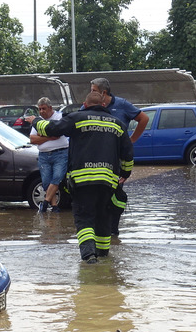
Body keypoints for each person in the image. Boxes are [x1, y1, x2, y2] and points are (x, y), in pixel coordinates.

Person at [33, 90, 134, 264]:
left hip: (82, 181)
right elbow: (128, 154)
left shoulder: (77, 118)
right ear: (104, 105)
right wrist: (124, 174)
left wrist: (35, 121)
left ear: (85, 104)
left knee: (84, 217)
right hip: (108, 182)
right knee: (103, 217)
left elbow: (51, 128)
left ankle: (89, 256)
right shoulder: (118, 124)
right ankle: (103, 256)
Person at [89, 77, 149, 236]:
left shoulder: (122, 105)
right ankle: (100, 230)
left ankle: (113, 231)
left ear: (104, 92)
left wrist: (132, 140)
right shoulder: (89, 105)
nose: (91, 93)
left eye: (94, 90)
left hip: (117, 159)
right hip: (97, 159)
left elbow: (144, 118)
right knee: (97, 196)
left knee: (115, 195)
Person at [24, 97, 69, 212]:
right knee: (46, 181)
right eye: (39, 109)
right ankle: (54, 206)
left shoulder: (59, 117)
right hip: (44, 155)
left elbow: (57, 134)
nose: (41, 111)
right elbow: (32, 139)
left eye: (44, 109)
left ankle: (45, 203)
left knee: (57, 177)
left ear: (50, 108)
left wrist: (42, 135)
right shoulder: (38, 120)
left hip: (60, 153)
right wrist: (49, 136)